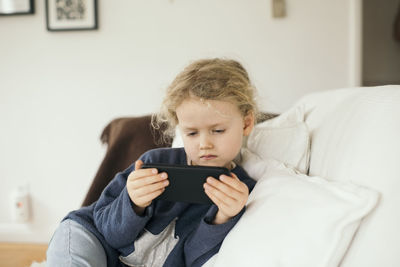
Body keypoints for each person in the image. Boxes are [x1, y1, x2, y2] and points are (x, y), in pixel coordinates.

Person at [47, 58, 259, 267]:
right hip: (91, 238)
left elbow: (192, 259)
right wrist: (133, 203)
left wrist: (222, 218)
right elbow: (108, 232)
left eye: (218, 130)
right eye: (192, 133)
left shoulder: (240, 191)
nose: (204, 144)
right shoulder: (154, 162)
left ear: (247, 123)